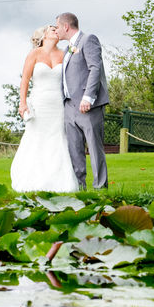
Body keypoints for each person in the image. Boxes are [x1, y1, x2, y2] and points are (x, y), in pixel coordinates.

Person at [10, 25, 79, 193]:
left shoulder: (64, 54)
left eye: (57, 29)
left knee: (57, 139)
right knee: (36, 138)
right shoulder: (34, 54)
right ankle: (32, 180)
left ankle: (60, 182)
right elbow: (25, 80)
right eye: (52, 29)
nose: (56, 31)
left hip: (58, 104)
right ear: (43, 35)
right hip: (39, 103)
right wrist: (22, 102)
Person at [54, 13, 109, 190]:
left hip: (88, 106)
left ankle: (100, 187)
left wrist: (88, 97)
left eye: (57, 27)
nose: (56, 30)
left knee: (94, 148)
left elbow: (95, 68)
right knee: (74, 150)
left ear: (66, 27)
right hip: (69, 106)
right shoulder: (67, 49)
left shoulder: (88, 40)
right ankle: (80, 188)